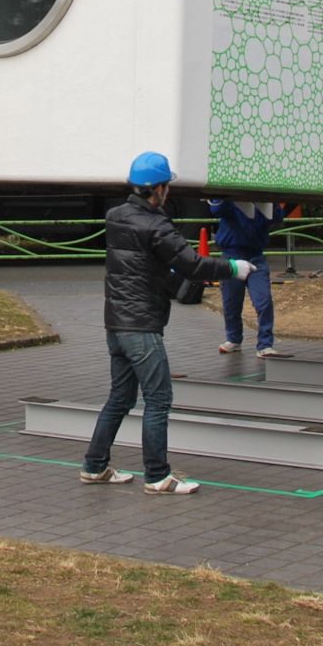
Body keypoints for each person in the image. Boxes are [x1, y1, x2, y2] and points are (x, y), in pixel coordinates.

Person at [80, 152, 252, 494]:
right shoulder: (156, 225)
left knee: (120, 398)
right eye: (166, 186)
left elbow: (144, 262)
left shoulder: (115, 217)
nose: (168, 192)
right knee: (158, 400)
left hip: (115, 324)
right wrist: (234, 269)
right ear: (156, 189)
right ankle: (157, 475)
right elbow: (192, 265)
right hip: (141, 328)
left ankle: (94, 466)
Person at [207, 198, 287, 357]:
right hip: (231, 254)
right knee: (231, 303)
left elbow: (277, 216)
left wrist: (270, 202)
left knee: (263, 300)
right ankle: (233, 339)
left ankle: (265, 344)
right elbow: (216, 209)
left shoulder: (263, 196)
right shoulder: (230, 199)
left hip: (256, 255)